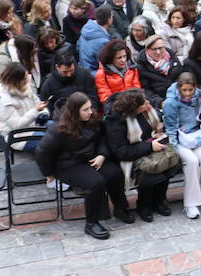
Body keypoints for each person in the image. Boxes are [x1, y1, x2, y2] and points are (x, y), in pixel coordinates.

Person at [35, 92, 128, 240]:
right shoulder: (59, 128)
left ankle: (120, 208)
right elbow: (42, 153)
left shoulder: (92, 119)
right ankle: (91, 223)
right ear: (74, 111)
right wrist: (48, 173)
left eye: (90, 108)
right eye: (85, 109)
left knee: (114, 173)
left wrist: (102, 155)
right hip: (66, 165)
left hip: (91, 158)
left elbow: (102, 138)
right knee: (95, 182)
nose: (90, 112)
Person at [102, 89, 175, 222]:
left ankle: (158, 200)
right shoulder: (115, 120)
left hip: (147, 146)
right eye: (144, 103)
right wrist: (150, 146)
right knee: (149, 173)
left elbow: (151, 126)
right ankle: (144, 205)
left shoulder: (142, 110)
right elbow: (121, 151)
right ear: (133, 109)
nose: (148, 103)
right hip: (127, 156)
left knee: (169, 163)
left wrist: (158, 129)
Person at [161, 73, 201, 219]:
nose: (188, 94)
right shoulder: (171, 103)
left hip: (196, 136)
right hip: (179, 139)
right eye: (184, 90)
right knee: (192, 161)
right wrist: (175, 149)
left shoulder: (200, 96)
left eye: (191, 90)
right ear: (178, 88)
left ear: (195, 87)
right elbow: (170, 129)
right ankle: (190, 204)